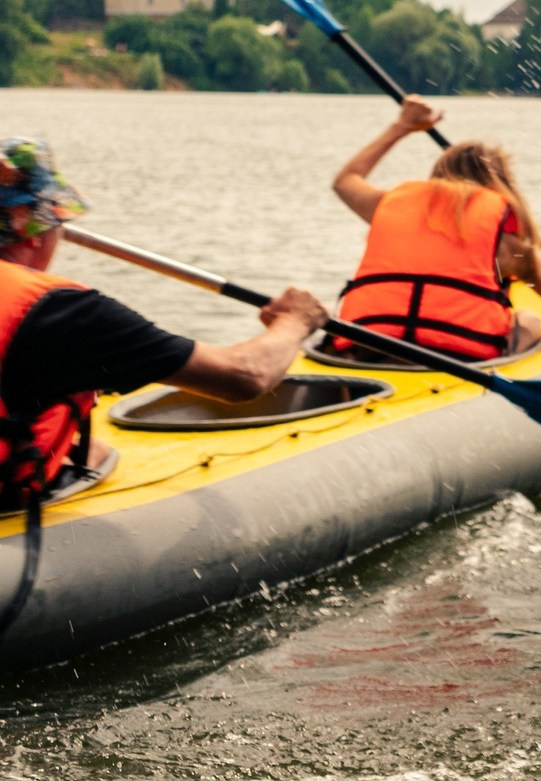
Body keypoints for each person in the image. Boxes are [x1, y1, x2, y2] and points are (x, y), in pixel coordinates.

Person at [0, 137, 329, 508]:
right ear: (37, 231)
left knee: (92, 449)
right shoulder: (63, 312)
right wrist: (296, 321)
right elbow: (245, 376)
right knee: (94, 454)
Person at [330, 98, 541, 364]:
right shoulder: (509, 244)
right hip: (458, 353)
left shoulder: (391, 203)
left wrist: (402, 126)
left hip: (369, 341)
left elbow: (345, 181)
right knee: (531, 320)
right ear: (500, 184)